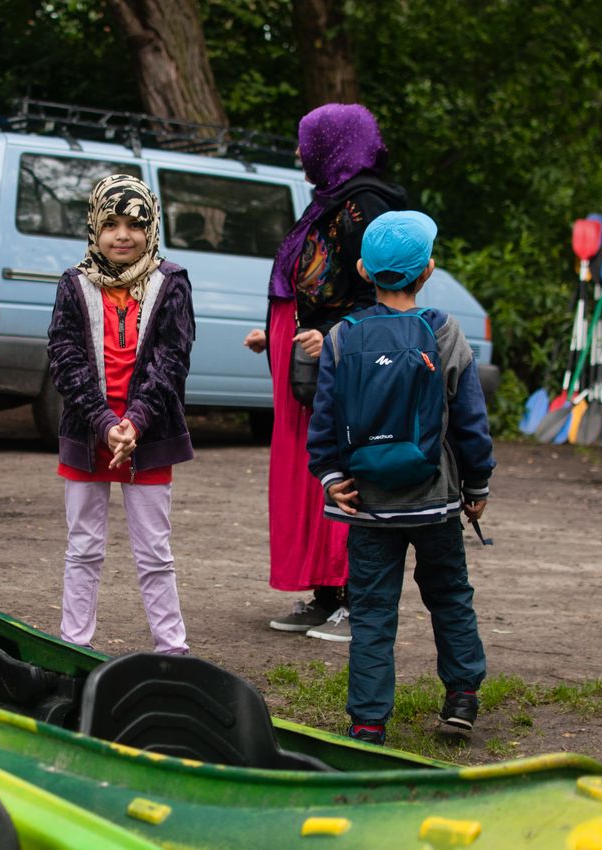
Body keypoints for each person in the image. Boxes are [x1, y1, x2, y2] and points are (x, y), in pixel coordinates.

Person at [306, 210, 494, 745]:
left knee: (371, 613)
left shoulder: (341, 337)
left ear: (364, 270)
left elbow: (324, 421)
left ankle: (367, 722)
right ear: (429, 270)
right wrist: (476, 487)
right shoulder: (442, 330)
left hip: (368, 503)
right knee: (450, 596)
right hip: (435, 500)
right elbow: (470, 420)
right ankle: (461, 696)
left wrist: (330, 476)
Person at [243, 103, 408, 641]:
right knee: (311, 475)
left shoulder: (365, 205)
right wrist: (279, 331)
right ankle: (325, 592)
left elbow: (385, 291)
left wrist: (337, 332)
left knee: (343, 467)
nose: (298, 152)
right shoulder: (330, 202)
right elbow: (317, 282)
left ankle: (359, 602)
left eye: (306, 141)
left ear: (334, 144)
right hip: (308, 360)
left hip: (347, 362)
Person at [47, 174, 194, 655]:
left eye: (134, 223)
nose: (122, 235)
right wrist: (105, 423)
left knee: (154, 552)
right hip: (88, 430)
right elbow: (64, 358)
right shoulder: (73, 283)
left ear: (151, 227)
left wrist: (135, 420)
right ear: (94, 226)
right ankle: (74, 645)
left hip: (148, 435)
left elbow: (172, 359)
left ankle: (172, 650)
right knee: (83, 547)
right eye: (110, 223)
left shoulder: (171, 283)